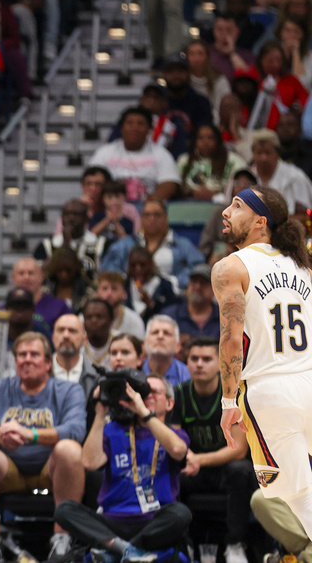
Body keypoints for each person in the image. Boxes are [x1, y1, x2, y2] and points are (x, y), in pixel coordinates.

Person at [216, 185, 312, 543]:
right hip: (309, 380)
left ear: (260, 222)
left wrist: (228, 402)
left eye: (236, 205)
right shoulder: (303, 263)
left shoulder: (230, 267)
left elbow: (230, 339)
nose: (225, 211)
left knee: (296, 497)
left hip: (270, 391)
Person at [0, 332, 86, 562]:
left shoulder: (69, 390)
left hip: (50, 469)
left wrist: (32, 434)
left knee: (69, 449)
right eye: (21, 355)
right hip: (8, 469)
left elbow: (76, 430)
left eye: (34, 354)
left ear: (48, 362)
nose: (26, 359)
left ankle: (61, 540)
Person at [55, 373, 192, 561]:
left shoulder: (176, 435)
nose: (146, 396)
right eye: (143, 392)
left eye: (154, 392)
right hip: (113, 520)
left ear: (169, 403)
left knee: (181, 514)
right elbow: (88, 462)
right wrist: (101, 414)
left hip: (154, 520)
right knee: (65, 509)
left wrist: (145, 413)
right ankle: (126, 550)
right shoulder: (113, 429)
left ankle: (117, 552)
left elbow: (177, 450)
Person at [171, 338, 254, 563]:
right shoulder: (179, 393)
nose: (199, 364)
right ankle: (181, 543)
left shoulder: (234, 394)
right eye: (194, 359)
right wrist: (189, 459)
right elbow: (174, 439)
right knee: (170, 471)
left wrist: (198, 459)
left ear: (220, 364)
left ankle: (235, 545)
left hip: (225, 469)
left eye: (206, 359)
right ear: (186, 363)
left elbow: (238, 449)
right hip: (194, 468)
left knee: (241, 469)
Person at [89, 107, 181, 203]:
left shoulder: (161, 154)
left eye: (140, 124)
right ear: (121, 128)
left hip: (147, 211)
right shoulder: (105, 152)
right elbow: (91, 180)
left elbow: (169, 183)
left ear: (149, 129)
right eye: (129, 123)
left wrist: (148, 205)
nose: (135, 128)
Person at [159, 265, 219, 354]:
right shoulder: (170, 315)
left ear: (215, 288)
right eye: (194, 281)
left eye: (203, 282)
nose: (198, 286)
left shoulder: (225, 318)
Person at [52, 313, 101, 394]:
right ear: (53, 338)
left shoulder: (97, 377)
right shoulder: (39, 373)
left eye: (72, 331)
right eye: (61, 330)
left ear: (85, 340)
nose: (66, 335)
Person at [142, 315, 191, 387]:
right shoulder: (135, 369)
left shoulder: (188, 376)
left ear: (178, 346)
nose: (160, 336)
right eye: (155, 332)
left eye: (166, 333)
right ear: (144, 344)